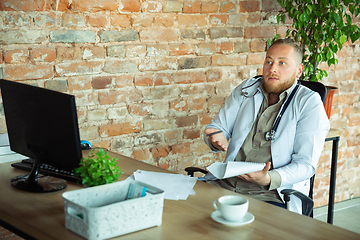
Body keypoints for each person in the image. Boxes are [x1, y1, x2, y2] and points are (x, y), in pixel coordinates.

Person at [204, 38, 330, 214]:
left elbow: (306, 165)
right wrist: (215, 136)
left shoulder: (309, 103)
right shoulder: (247, 89)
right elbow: (218, 127)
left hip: (271, 196)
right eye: (268, 61)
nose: (273, 69)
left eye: (282, 63)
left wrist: (269, 178)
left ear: (298, 70)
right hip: (225, 184)